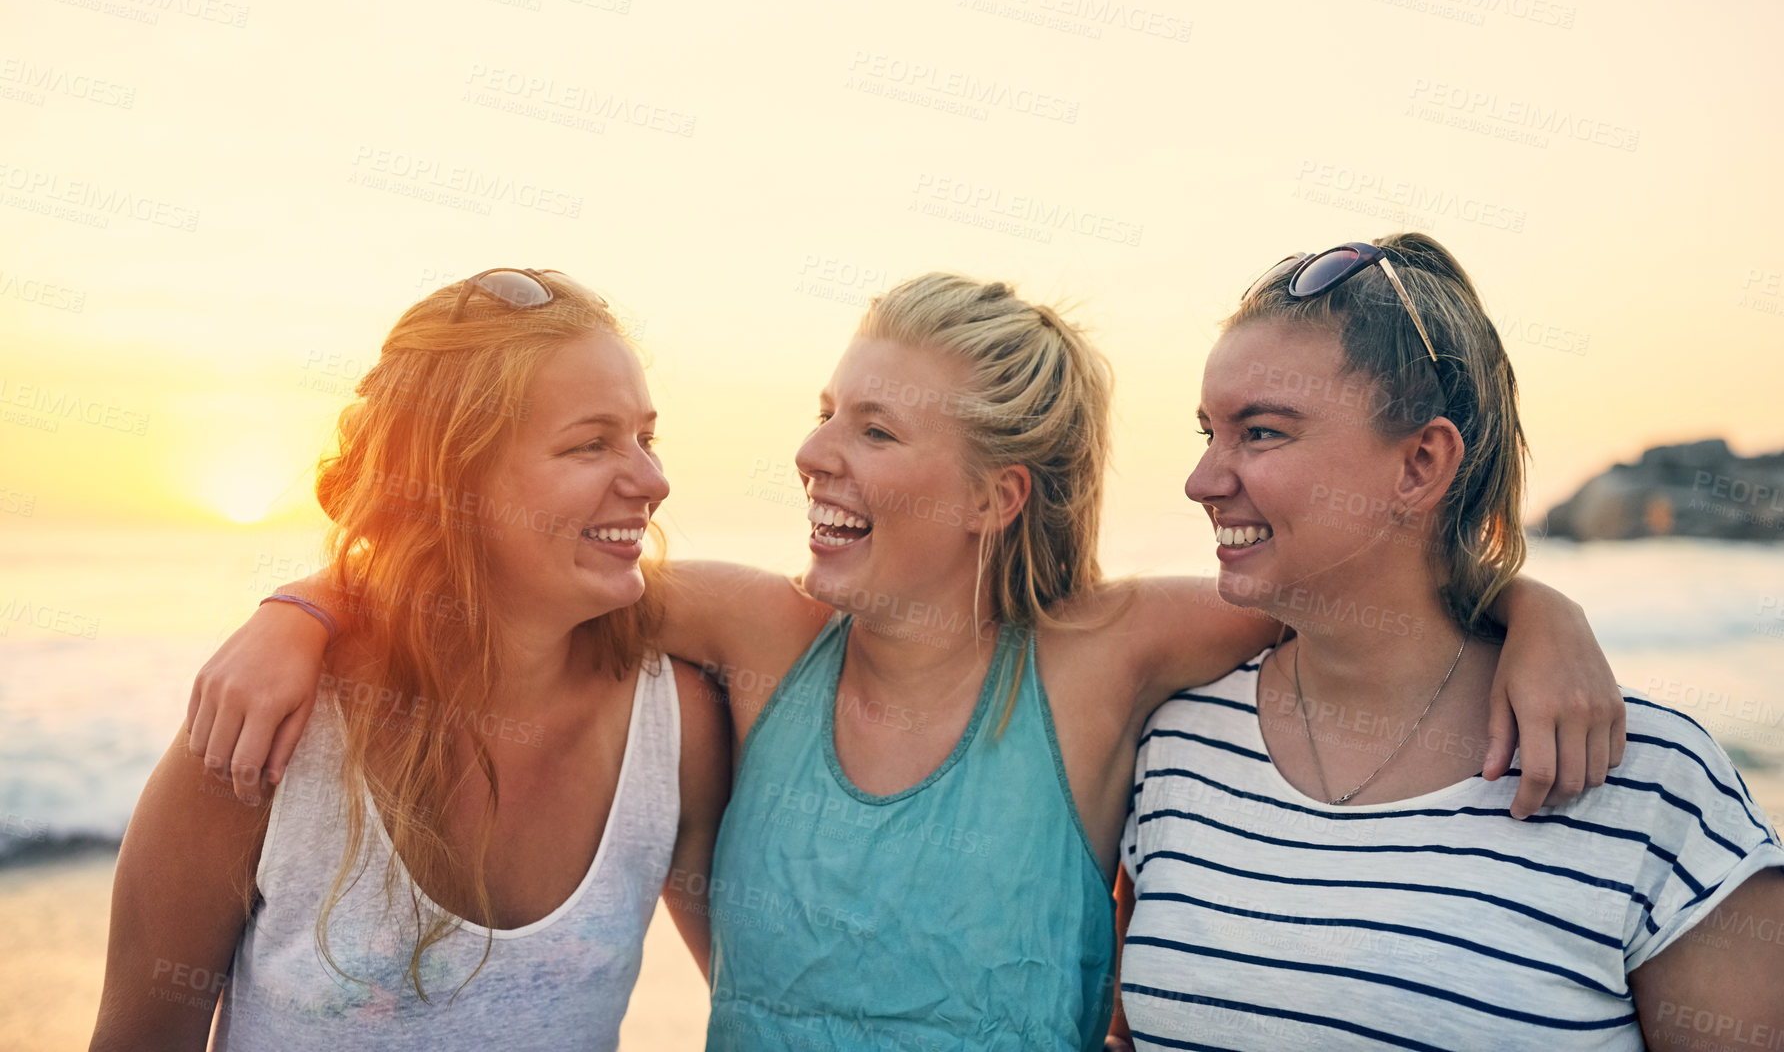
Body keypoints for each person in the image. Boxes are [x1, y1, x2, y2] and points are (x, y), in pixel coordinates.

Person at [185, 272, 1627, 1050]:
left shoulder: (1103, 659)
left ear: (997, 493)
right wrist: (302, 608)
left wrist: (1533, 607)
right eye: (827, 410)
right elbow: (496, 561)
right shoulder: (762, 637)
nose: (814, 451)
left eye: (875, 429)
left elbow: (1367, 585)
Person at [1109, 235, 1784, 1050]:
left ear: (1421, 463)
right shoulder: (1178, 743)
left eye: (1259, 433)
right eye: (1207, 432)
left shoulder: (1650, 785)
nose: (1203, 480)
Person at [90, 269, 730, 1050]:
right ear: (451, 480)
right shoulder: (262, 737)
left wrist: (304, 600)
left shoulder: (676, 728)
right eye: (591, 444)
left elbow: (769, 1005)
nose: (652, 481)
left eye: (645, 437)